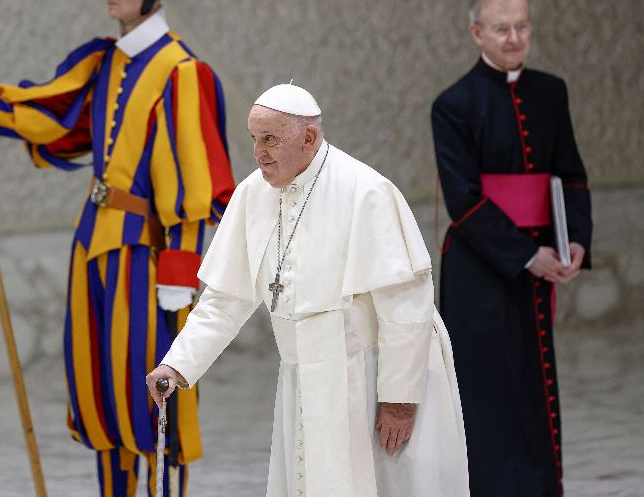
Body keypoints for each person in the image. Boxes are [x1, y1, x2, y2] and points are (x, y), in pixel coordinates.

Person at [0, 0, 235, 494]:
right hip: (92, 248)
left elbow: (196, 186)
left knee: (149, 401)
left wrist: (183, 276)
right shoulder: (104, 61)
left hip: (149, 263)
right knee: (99, 397)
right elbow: (50, 114)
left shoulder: (182, 73)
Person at [147, 83, 470, 497]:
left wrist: (399, 400)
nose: (259, 151)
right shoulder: (252, 194)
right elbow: (225, 300)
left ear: (309, 138)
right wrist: (178, 365)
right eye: (254, 139)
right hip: (304, 377)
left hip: (370, 375)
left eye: (270, 139)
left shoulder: (365, 191)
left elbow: (405, 303)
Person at [430, 0, 593, 497]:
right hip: (482, 267)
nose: (515, 37)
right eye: (502, 28)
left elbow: (570, 174)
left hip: (543, 255)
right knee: (484, 391)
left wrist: (576, 241)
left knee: (533, 383)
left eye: (522, 26)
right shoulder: (453, 104)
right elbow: (465, 201)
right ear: (478, 32)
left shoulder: (551, 91)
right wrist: (527, 255)